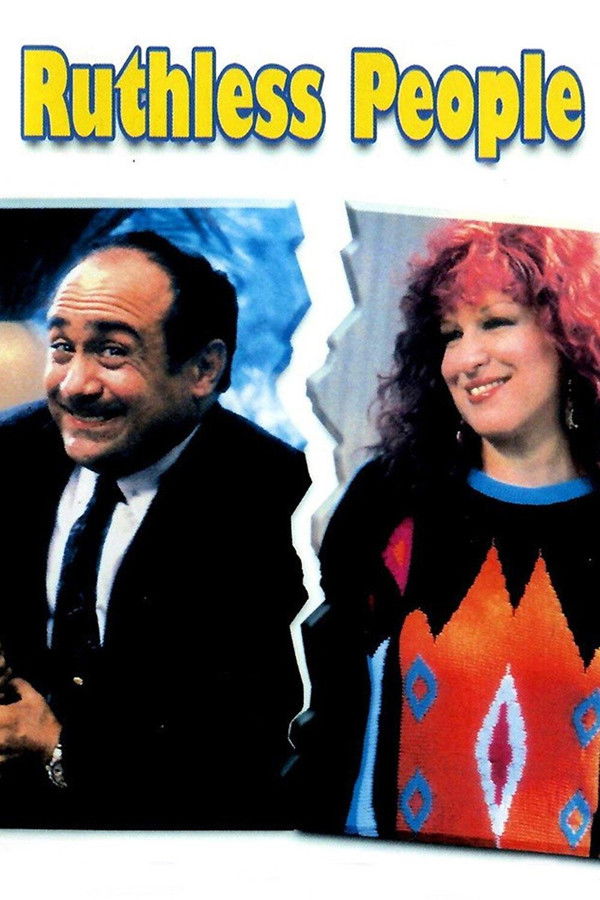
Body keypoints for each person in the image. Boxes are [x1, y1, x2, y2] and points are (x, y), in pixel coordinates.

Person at [293, 220, 600, 857]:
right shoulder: (389, 503)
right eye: (451, 335)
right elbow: (329, 727)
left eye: (495, 322)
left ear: (572, 333)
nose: (465, 359)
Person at [0, 230, 310, 829]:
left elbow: (242, 759)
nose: (74, 385)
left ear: (204, 369)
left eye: (112, 352)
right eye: (62, 348)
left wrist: (54, 744)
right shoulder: (8, 455)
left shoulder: (281, 506)